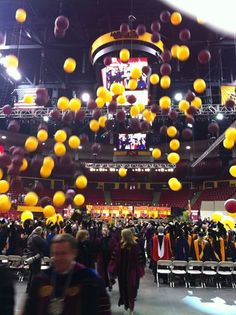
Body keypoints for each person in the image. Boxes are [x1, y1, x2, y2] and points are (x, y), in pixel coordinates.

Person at [23, 233, 111, 315]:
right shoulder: (41, 280)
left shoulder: (90, 280)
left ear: (74, 253)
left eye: (63, 254)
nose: (58, 258)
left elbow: (104, 311)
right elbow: (29, 310)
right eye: (55, 254)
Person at [108, 228, 144, 315]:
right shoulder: (120, 245)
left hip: (132, 271)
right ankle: (126, 304)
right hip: (122, 271)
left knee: (131, 289)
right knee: (123, 288)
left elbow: (139, 260)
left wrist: (139, 270)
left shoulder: (135, 246)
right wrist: (113, 268)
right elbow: (114, 258)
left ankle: (131, 307)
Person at [26, 226, 48, 292]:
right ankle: (33, 288)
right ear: (40, 231)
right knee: (35, 272)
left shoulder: (30, 236)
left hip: (30, 256)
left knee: (31, 272)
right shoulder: (37, 237)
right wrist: (44, 236)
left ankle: (28, 288)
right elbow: (44, 243)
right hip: (36, 256)